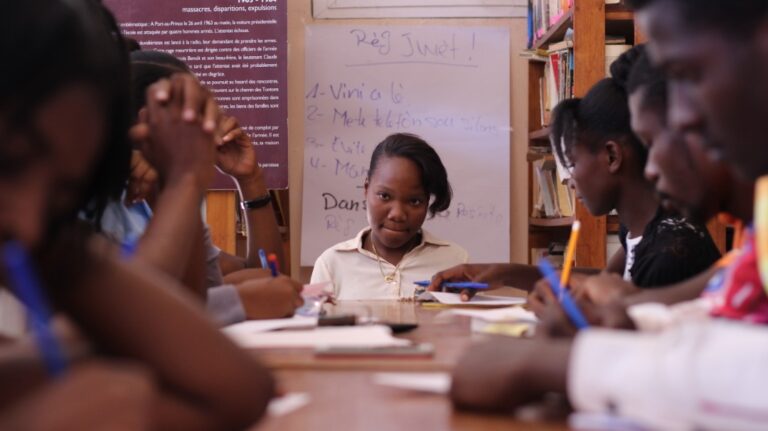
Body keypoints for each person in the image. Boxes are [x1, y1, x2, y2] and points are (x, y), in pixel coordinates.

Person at [450, 2, 768, 429]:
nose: (685, 115)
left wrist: (565, 365)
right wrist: (632, 316)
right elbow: (719, 299)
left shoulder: (677, 241)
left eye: (688, 75)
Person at [0, 1, 274, 429]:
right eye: (9, 163)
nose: (30, 224)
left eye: (64, 192)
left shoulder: (36, 237)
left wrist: (181, 183)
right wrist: (183, 183)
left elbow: (239, 389)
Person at [430, 66, 720, 299]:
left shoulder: (669, 252)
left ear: (611, 156)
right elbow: (605, 281)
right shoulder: (644, 228)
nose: (569, 180)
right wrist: (504, 273)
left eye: (572, 162)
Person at [99, 49, 302, 323]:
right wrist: (237, 299)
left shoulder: (173, 190)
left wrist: (249, 179)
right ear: (146, 126)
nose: (208, 136)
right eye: (196, 121)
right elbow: (133, 316)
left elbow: (264, 273)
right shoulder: (94, 206)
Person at [311, 133, 468, 300]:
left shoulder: (455, 261)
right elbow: (314, 323)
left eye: (414, 201)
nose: (397, 214)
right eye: (384, 196)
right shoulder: (332, 264)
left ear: (426, 201)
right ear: (366, 189)